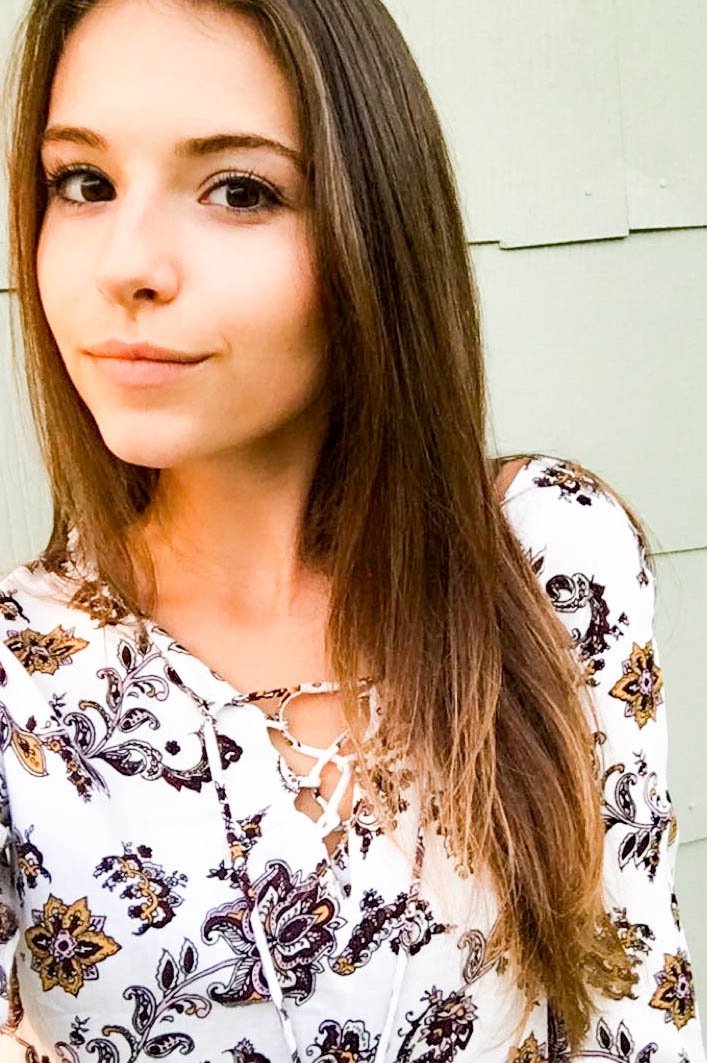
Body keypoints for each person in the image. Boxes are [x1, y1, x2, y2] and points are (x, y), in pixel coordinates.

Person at [0, 0, 703, 1061]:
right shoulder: (26, 678)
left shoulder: (546, 556)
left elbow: (639, 1005)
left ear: (373, 227)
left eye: (240, 190)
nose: (125, 266)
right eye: (85, 183)